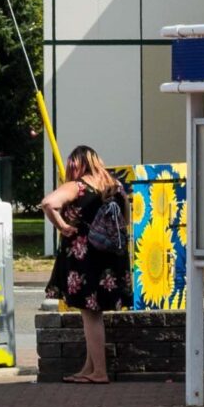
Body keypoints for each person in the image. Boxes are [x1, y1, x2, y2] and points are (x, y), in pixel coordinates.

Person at [40, 146, 131, 386]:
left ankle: (99, 371)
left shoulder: (78, 186)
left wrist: (62, 226)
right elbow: (127, 219)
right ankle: (89, 368)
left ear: (77, 164)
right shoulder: (116, 186)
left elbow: (48, 203)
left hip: (85, 259)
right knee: (92, 313)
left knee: (90, 315)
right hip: (110, 257)